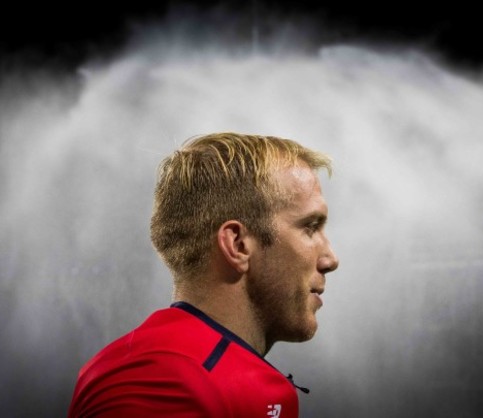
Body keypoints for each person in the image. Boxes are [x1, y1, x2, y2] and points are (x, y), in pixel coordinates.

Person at [67, 132, 339, 417]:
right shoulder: (159, 383)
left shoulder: (197, 371)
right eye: (310, 227)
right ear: (238, 245)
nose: (331, 259)